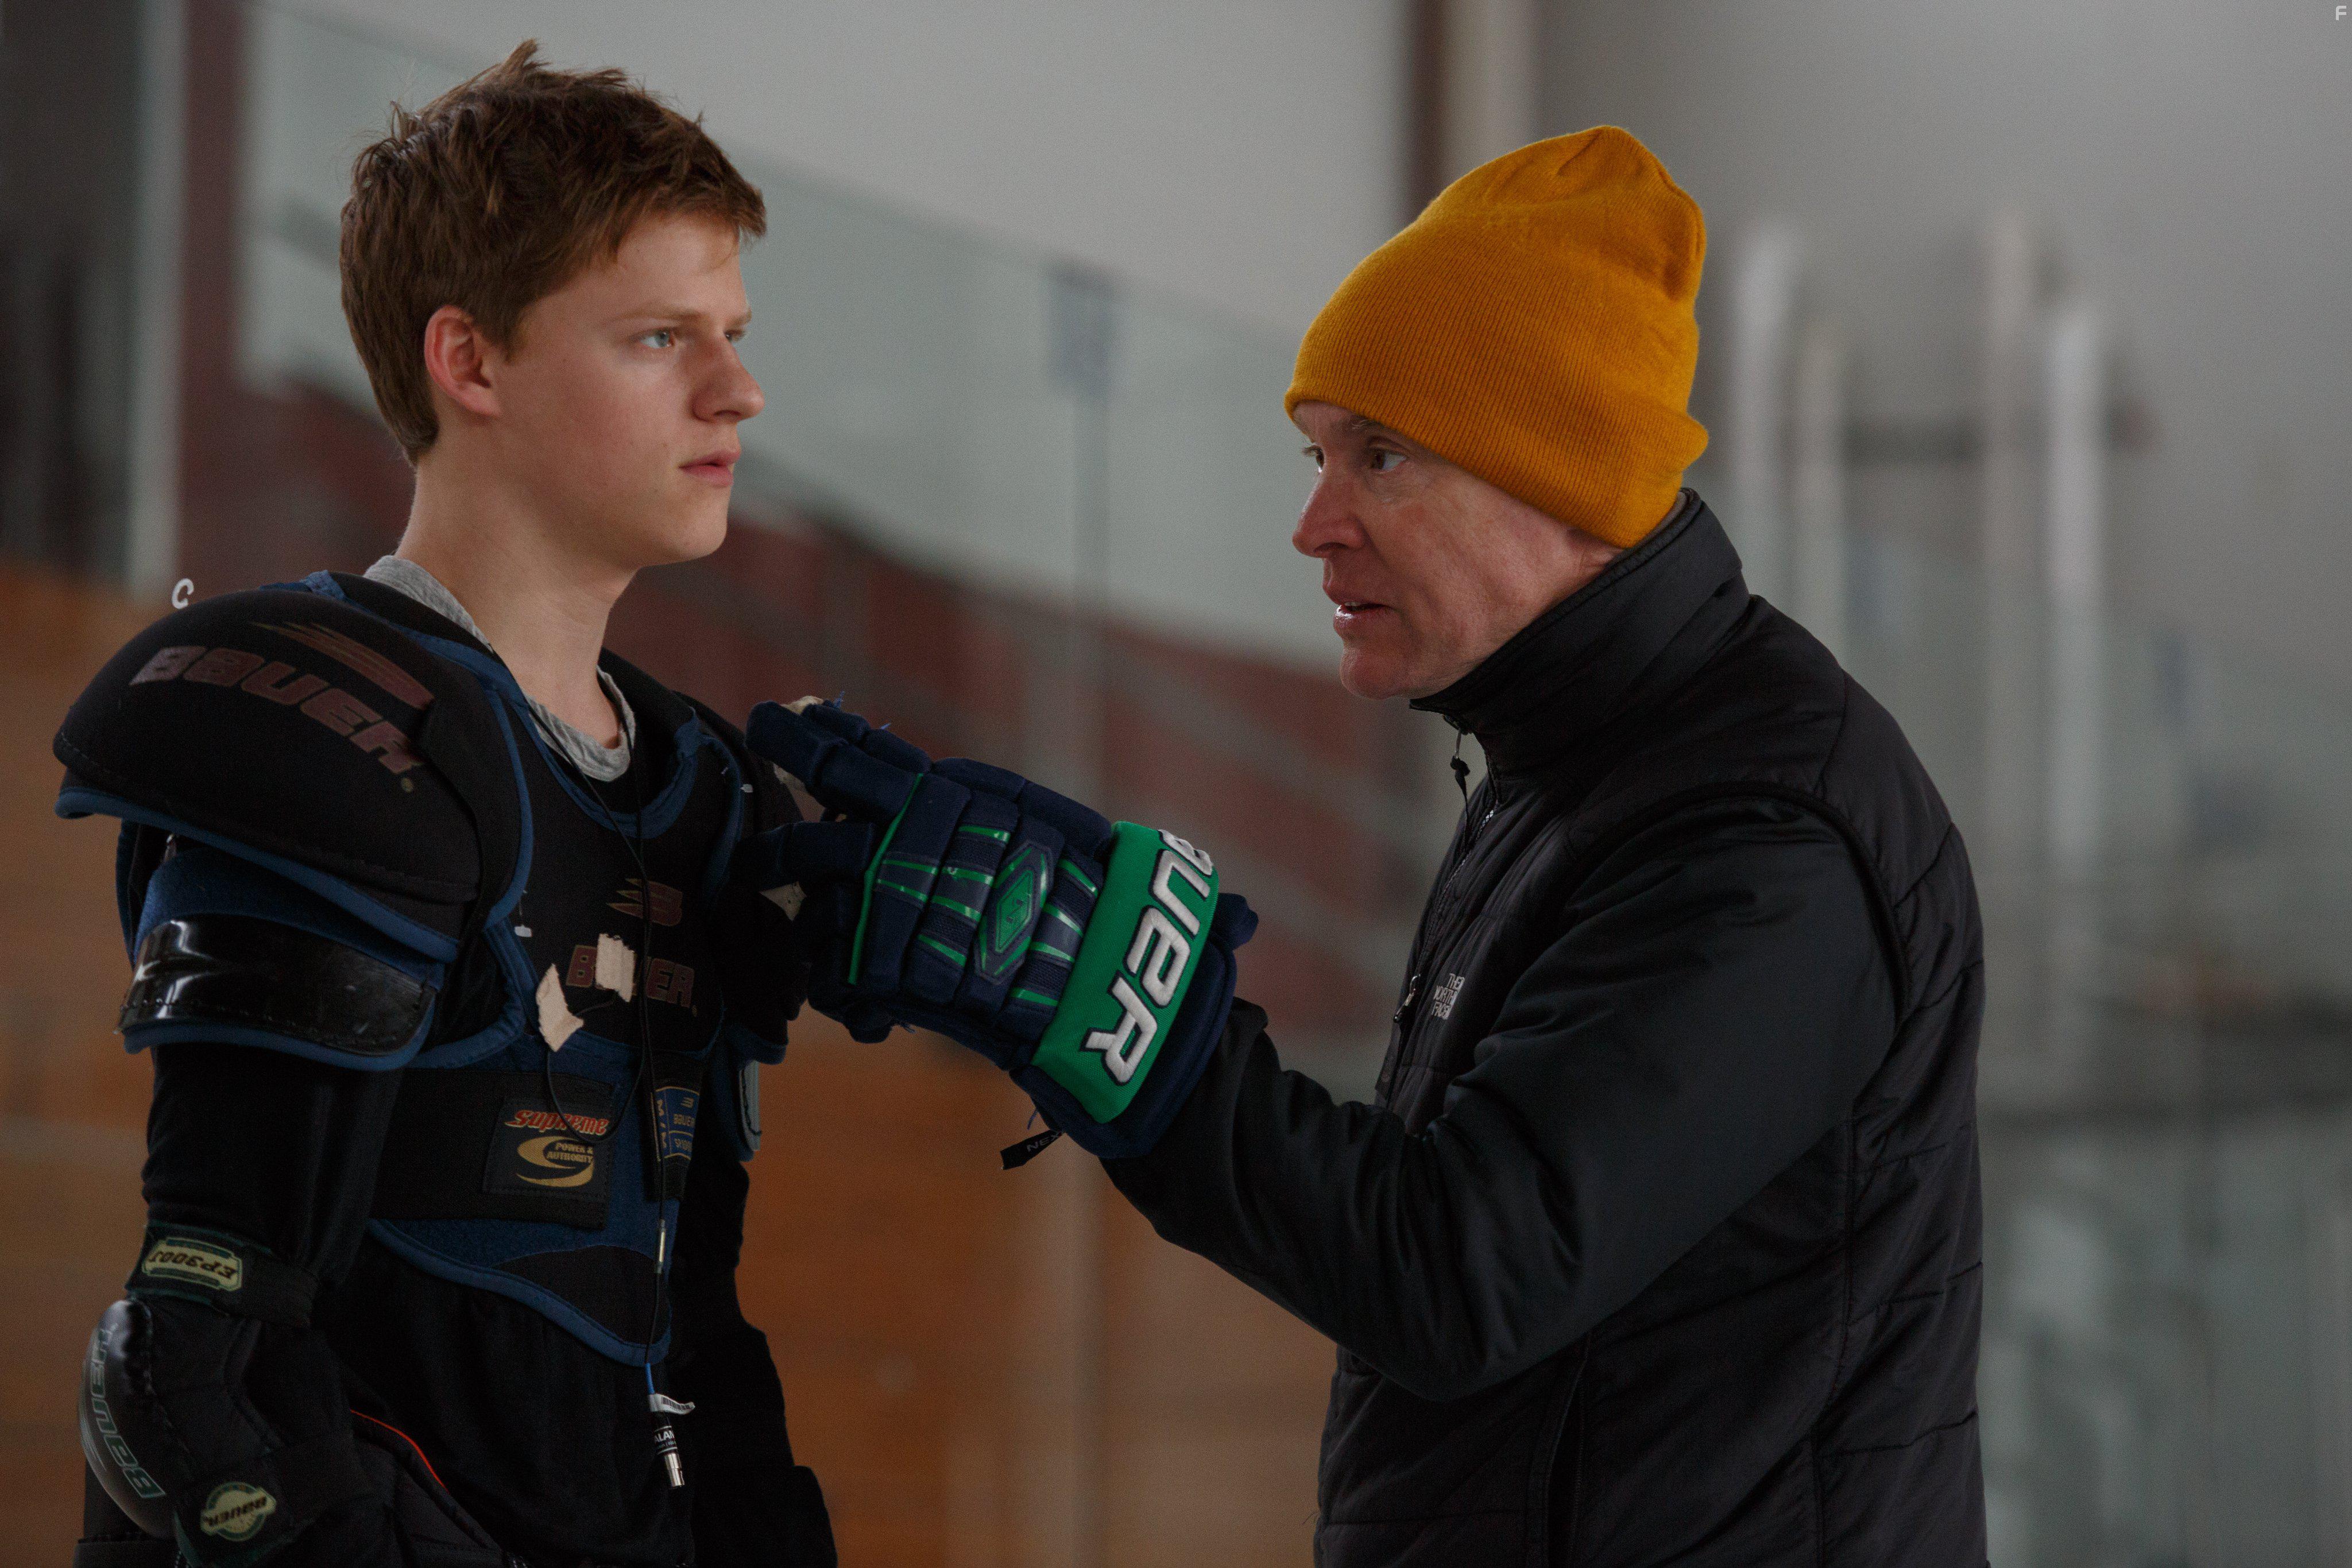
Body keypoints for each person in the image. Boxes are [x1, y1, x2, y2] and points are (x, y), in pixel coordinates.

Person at [743, 127, 1986, 1566]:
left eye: (1378, 456)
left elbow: (1464, 1270)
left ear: (1558, 472)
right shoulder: (1570, 773)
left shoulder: (1760, 831)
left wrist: (1126, 1021)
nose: (1311, 524)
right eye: (1317, 454)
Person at [59, 45, 834, 1567]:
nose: (737, 389)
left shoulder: (699, 791)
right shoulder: (326, 731)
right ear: (469, 363)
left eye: (733, 336)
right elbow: (196, 1366)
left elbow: (694, 1333)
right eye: (659, 337)